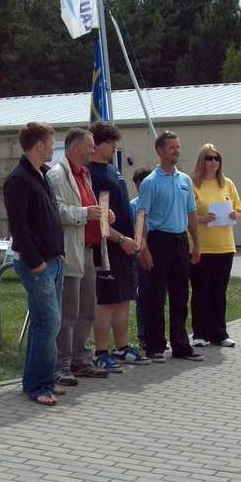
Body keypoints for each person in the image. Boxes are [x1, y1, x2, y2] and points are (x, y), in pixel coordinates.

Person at [3, 122, 65, 407]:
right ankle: (39, 386)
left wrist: (59, 252)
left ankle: (39, 379)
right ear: (39, 145)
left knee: (47, 323)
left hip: (54, 260)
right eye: (51, 143)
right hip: (37, 265)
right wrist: (36, 262)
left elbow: (50, 217)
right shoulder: (19, 179)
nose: (53, 147)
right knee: (47, 322)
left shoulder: (42, 175)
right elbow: (19, 227)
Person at [46, 128, 109, 383]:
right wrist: (85, 213)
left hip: (88, 250)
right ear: (75, 147)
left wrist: (102, 214)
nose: (94, 150)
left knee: (87, 310)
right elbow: (56, 211)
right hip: (70, 251)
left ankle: (81, 360)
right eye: (90, 146)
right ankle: (61, 365)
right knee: (68, 312)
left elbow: (87, 208)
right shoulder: (57, 175)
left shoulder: (84, 174)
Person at [137, 131, 204, 362]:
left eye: (178, 146)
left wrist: (196, 244)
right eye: (171, 147)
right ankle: (155, 345)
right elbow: (142, 216)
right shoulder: (150, 182)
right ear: (160, 150)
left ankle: (181, 345)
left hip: (180, 240)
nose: (176, 150)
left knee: (180, 294)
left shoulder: (185, 180)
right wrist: (143, 249)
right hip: (159, 240)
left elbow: (191, 213)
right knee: (156, 295)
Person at [88, 121, 148, 368]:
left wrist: (135, 237)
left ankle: (122, 347)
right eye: (110, 142)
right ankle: (101, 351)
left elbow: (125, 209)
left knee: (124, 298)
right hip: (108, 248)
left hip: (126, 247)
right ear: (97, 144)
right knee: (106, 300)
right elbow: (101, 217)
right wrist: (120, 239)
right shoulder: (93, 174)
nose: (114, 147)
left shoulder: (113, 170)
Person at [189, 143, 241, 349]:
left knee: (219, 292)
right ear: (201, 161)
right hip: (201, 247)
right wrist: (202, 219)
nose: (213, 162)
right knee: (201, 291)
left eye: (217, 158)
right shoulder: (192, 184)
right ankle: (200, 333)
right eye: (209, 158)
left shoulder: (227, 183)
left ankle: (219, 333)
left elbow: (238, 209)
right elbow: (186, 214)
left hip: (224, 246)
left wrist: (234, 214)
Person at [130, 167, 152, 357]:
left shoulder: (156, 202)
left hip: (159, 252)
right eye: (139, 185)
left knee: (159, 296)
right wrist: (141, 252)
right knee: (142, 297)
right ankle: (143, 335)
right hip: (140, 254)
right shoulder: (134, 205)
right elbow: (137, 232)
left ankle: (156, 334)